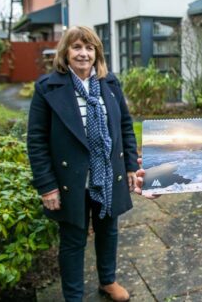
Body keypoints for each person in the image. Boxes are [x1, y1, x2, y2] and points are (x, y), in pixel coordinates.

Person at [27, 26, 138, 302]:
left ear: (97, 53)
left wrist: (131, 167)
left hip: (107, 173)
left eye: (89, 48)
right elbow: (37, 141)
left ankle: (108, 281)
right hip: (71, 179)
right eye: (77, 47)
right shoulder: (47, 88)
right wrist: (47, 186)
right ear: (65, 52)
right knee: (73, 238)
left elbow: (125, 126)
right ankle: (74, 296)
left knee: (108, 229)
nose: (83, 53)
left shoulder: (109, 83)